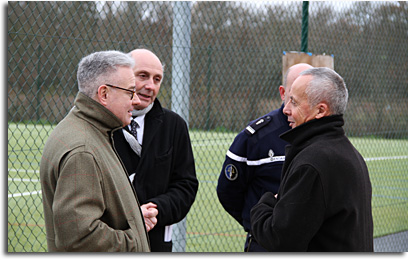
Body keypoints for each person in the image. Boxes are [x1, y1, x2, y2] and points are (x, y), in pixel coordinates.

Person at [250, 67, 374, 251]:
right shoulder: (349, 153)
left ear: (320, 110)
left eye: (294, 102)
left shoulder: (313, 163)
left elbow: (280, 239)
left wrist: (266, 204)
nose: (286, 109)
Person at [40, 50, 150, 252]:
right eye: (130, 92)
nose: (136, 101)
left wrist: (135, 220)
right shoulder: (82, 151)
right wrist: (135, 241)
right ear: (104, 94)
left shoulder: (93, 131)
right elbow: (79, 238)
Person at [216, 63, 313, 252]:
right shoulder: (255, 137)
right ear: (283, 93)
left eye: (307, 94)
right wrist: (260, 225)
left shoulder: (325, 137)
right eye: (294, 94)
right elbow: (228, 192)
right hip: (267, 245)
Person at [113, 48, 199, 252]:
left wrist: (155, 210)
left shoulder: (174, 126)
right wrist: (132, 214)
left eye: (157, 79)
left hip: (156, 242)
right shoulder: (103, 124)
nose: (150, 86)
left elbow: (186, 185)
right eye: (142, 76)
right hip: (111, 240)